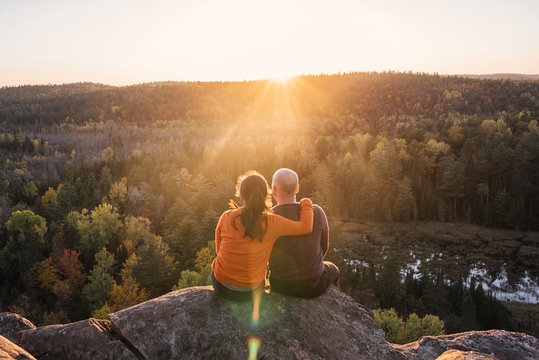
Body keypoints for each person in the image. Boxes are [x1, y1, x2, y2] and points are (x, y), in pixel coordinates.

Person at [211, 170, 314, 302]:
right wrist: (306, 203)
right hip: (250, 293)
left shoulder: (226, 217)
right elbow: (306, 227)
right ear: (266, 195)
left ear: (241, 195)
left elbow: (219, 250)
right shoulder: (272, 222)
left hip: (221, 287)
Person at [269, 168, 339, 298]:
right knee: (333, 269)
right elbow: (324, 247)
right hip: (313, 286)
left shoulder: (267, 218)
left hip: (280, 286)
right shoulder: (316, 211)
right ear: (297, 188)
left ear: (273, 190)